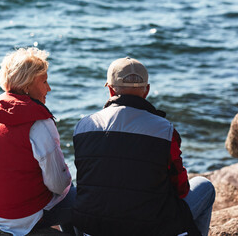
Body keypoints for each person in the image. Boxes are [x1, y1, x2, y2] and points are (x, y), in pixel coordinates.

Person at [72, 57, 215, 236]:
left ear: (109, 89)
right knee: (205, 186)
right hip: (150, 228)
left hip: (93, 227)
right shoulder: (165, 131)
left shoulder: (83, 127)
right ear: (146, 90)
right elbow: (181, 189)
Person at [0, 47, 75, 236]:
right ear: (27, 86)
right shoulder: (39, 124)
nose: (49, 88)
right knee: (78, 197)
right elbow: (58, 185)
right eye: (44, 81)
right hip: (19, 217)